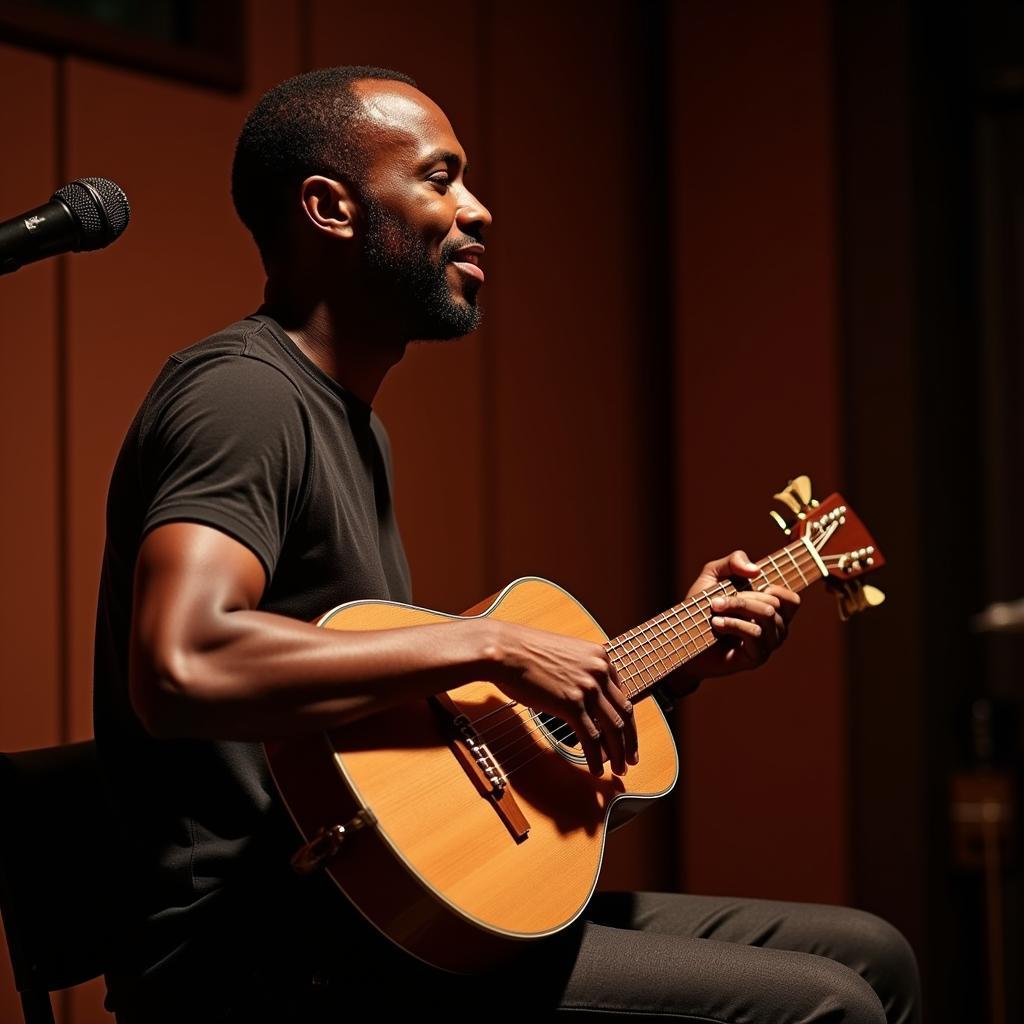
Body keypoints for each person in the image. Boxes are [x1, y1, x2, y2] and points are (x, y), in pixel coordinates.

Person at [93, 66, 920, 1023]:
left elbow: (382, 721)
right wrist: (496, 643)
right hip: (255, 950)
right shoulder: (241, 397)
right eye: (439, 179)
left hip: (368, 906)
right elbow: (181, 663)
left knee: (874, 952)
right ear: (330, 207)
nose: (477, 210)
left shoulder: (354, 427)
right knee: (830, 1005)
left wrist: (676, 651)